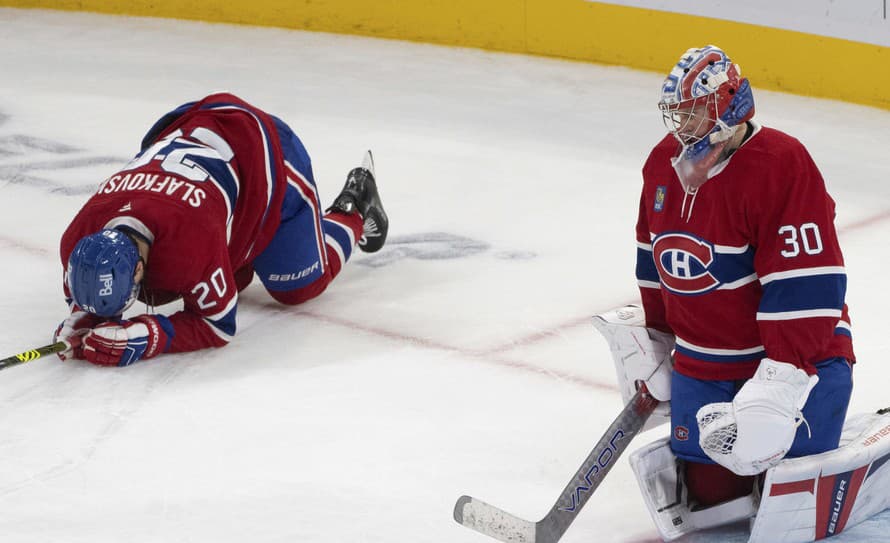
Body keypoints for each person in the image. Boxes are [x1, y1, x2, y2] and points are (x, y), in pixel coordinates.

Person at [626, 45, 856, 538]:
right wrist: (660, 341)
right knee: (712, 500)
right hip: (705, 362)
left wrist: (781, 380)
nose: (681, 124)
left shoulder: (781, 163)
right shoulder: (662, 163)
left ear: (728, 104)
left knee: (782, 491)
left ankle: (809, 420)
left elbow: (807, 282)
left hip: (793, 359)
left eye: (692, 111)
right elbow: (654, 259)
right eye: (677, 113)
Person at [53, 93, 388, 367]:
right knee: (231, 278)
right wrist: (82, 316)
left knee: (298, 288)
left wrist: (149, 336)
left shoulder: (189, 245)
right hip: (192, 132)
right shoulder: (75, 239)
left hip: (267, 153)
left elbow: (219, 326)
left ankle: (355, 206)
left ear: (139, 268)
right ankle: (243, 247)